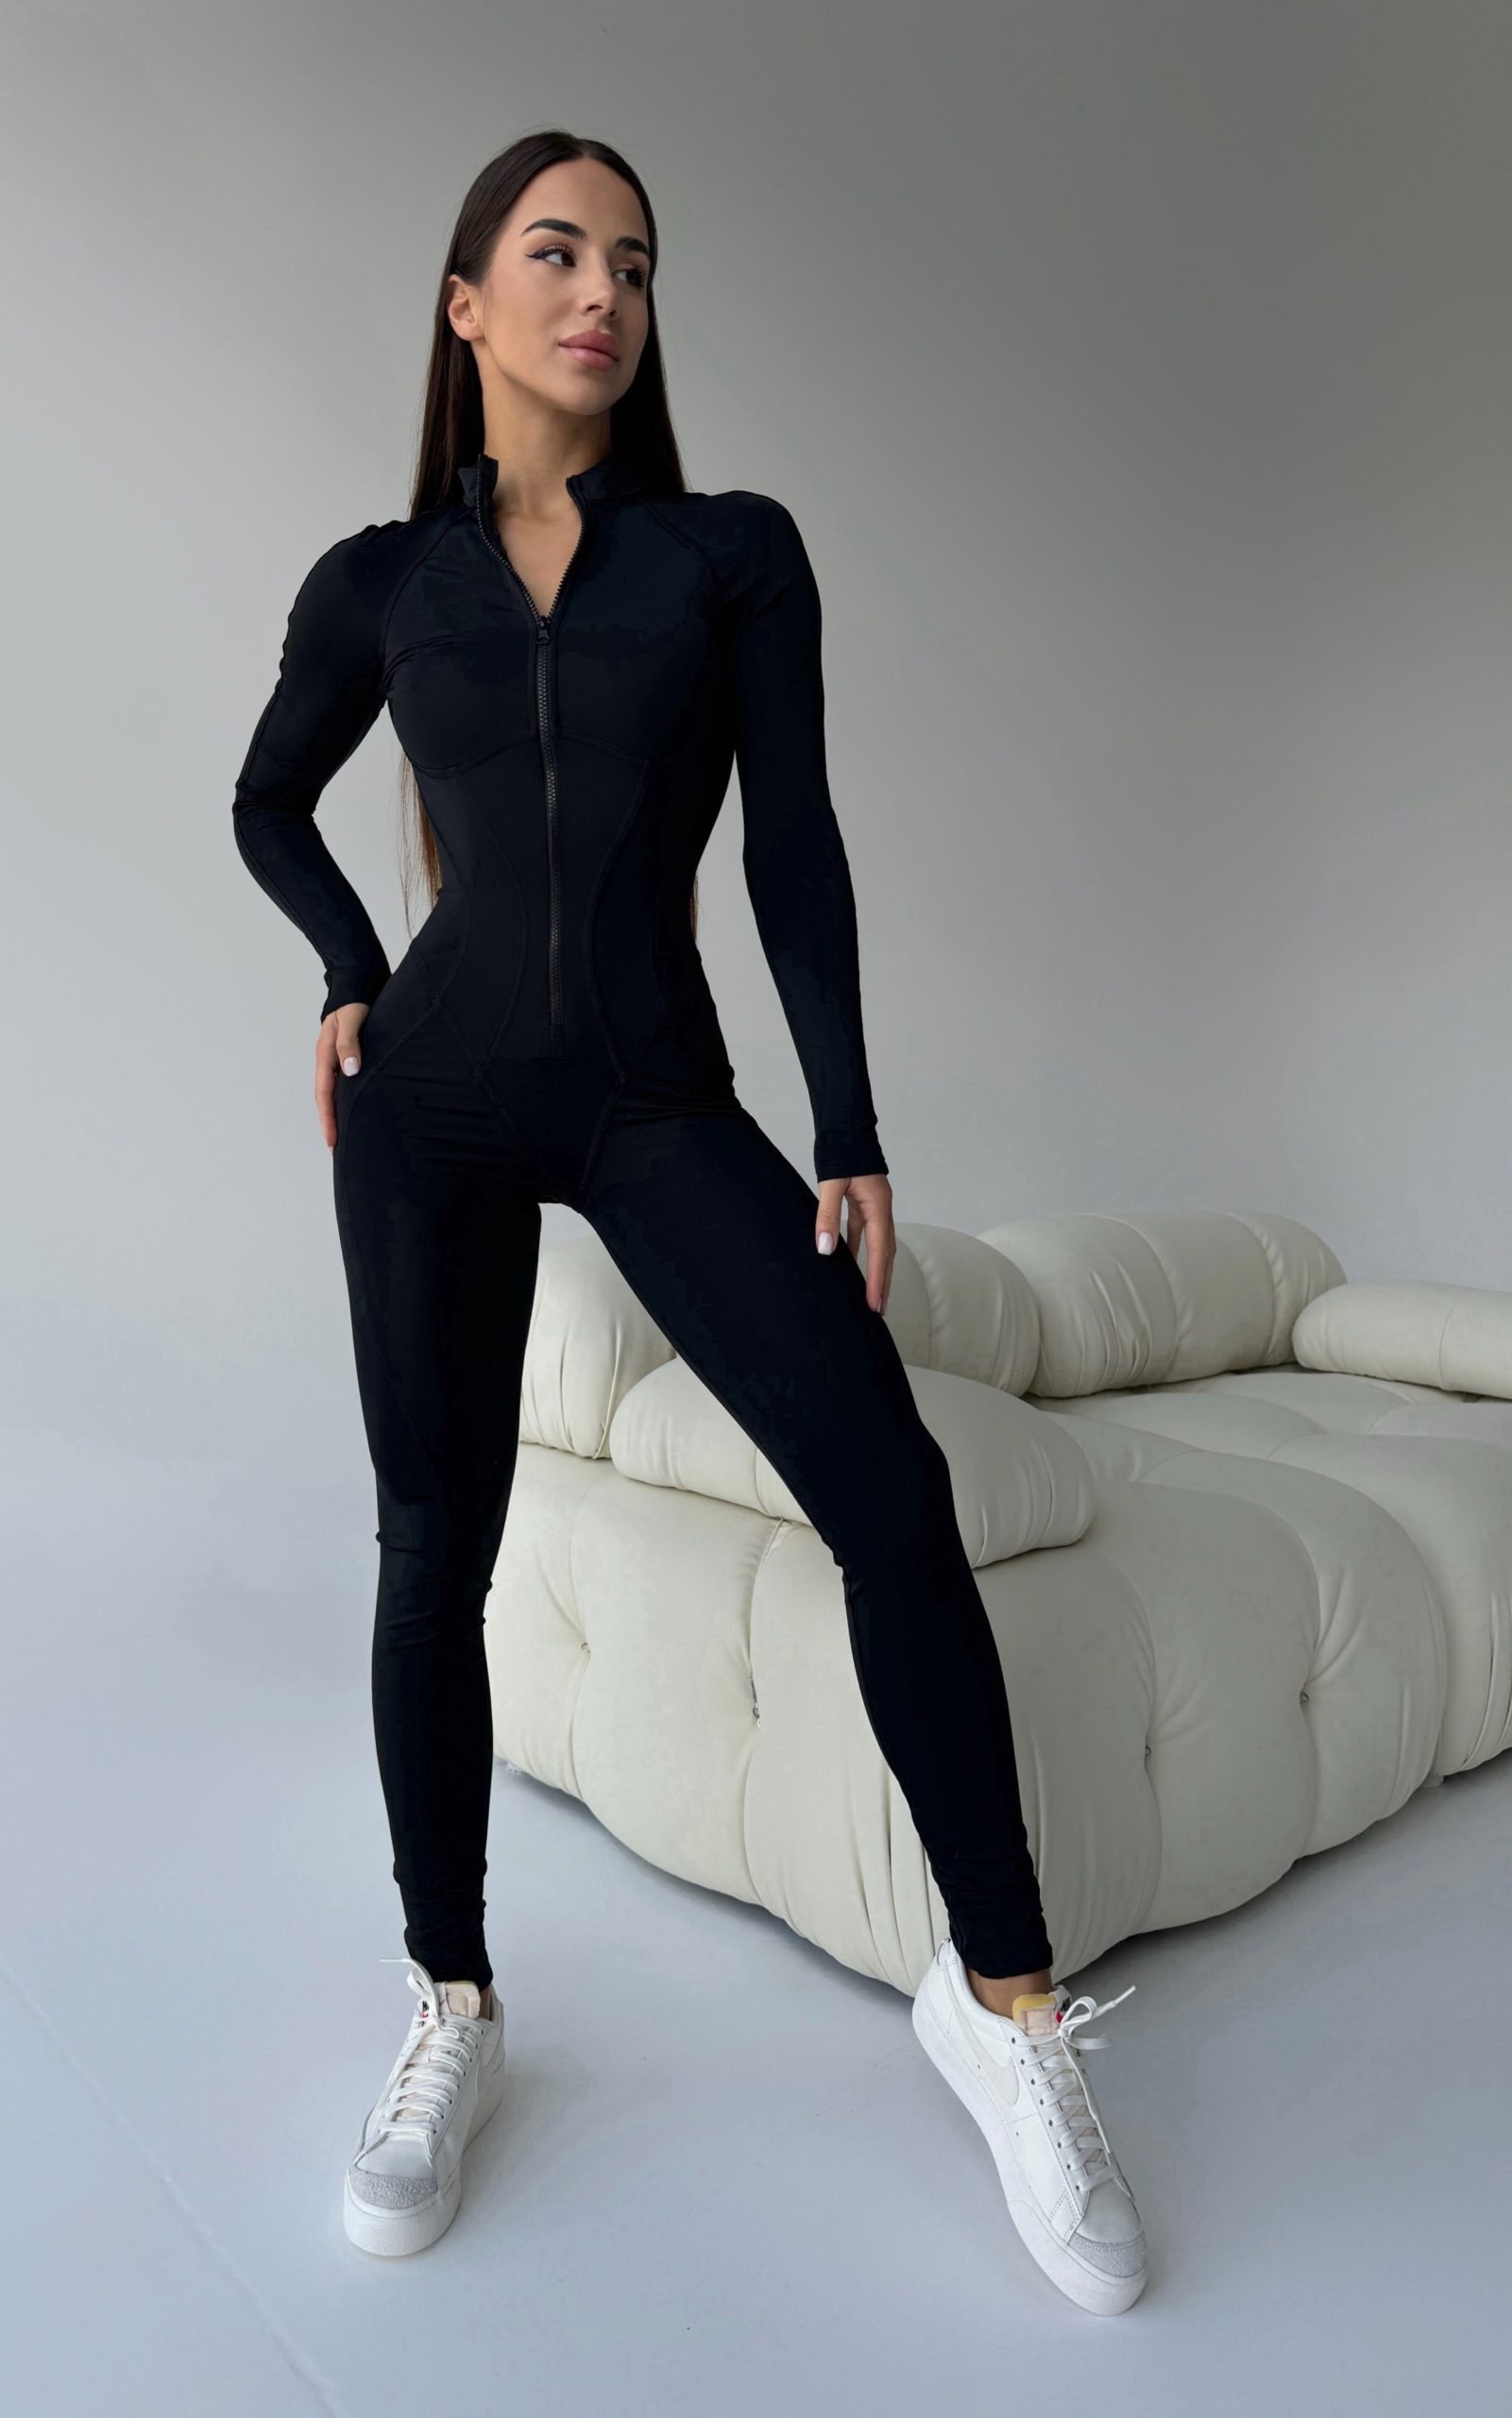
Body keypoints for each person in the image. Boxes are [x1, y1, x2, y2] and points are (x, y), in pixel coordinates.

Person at [229, 130, 1146, 2311]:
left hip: (660, 1100)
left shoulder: (730, 557)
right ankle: (452, 1999)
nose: (603, 293)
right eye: (556, 252)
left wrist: (848, 1120)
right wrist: (351, 968)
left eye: (633, 263)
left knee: (891, 1496)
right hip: (432, 1108)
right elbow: (266, 795)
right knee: (431, 1541)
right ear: (467, 303)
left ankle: (1007, 2006)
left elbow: (794, 840)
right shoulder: (380, 581)